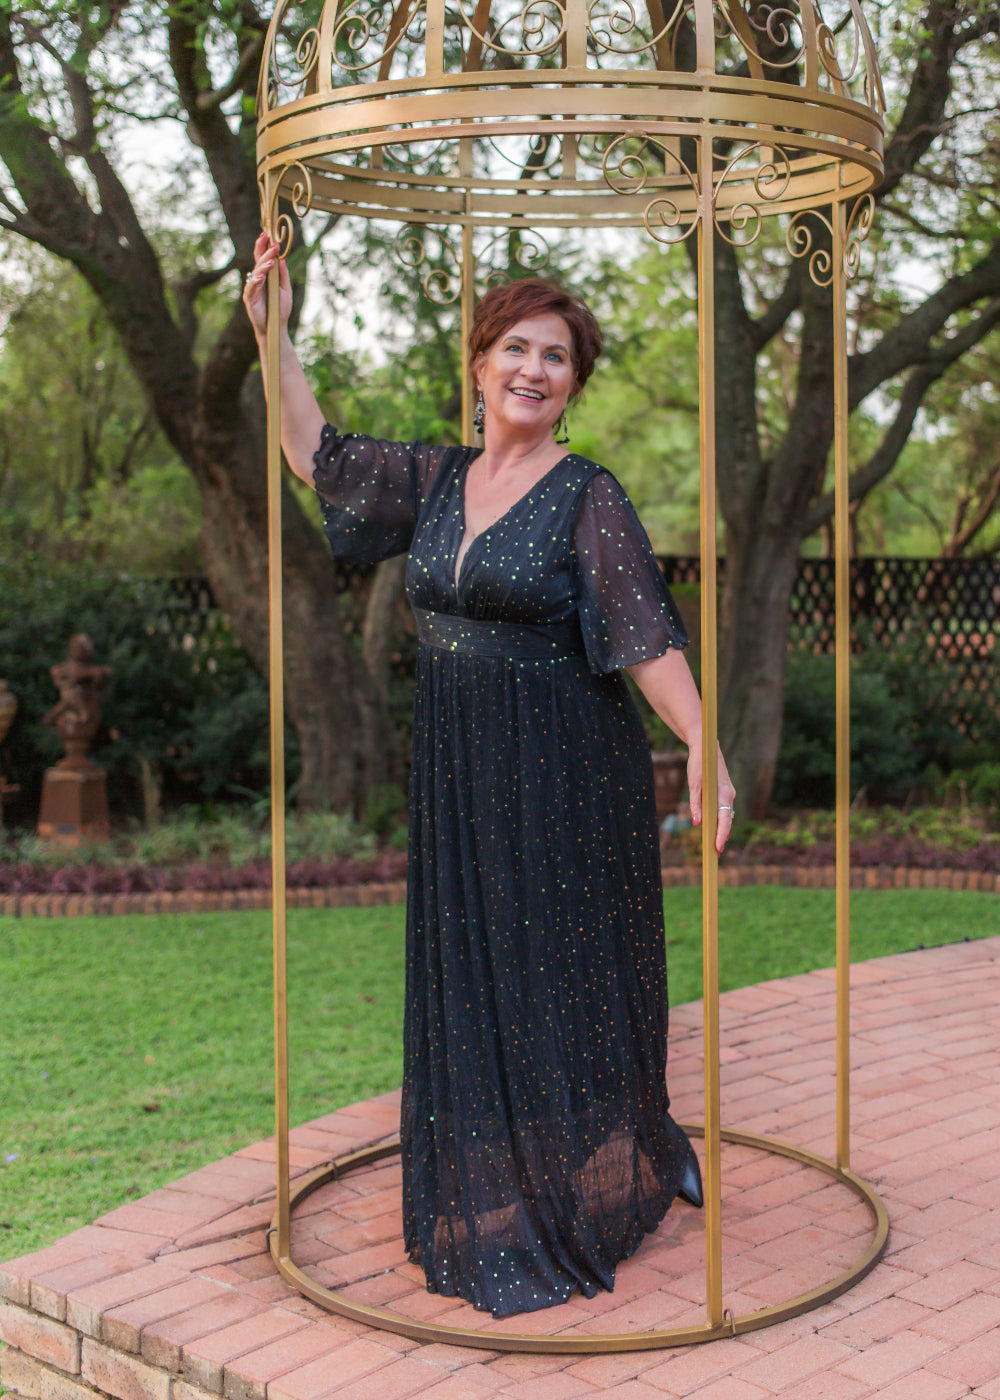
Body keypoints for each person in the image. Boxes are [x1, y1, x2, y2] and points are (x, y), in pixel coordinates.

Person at [244, 233, 736, 1318]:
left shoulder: (587, 494)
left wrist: (703, 744)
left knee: (566, 968)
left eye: (555, 357)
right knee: (482, 967)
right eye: (516, 346)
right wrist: (273, 332)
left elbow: (645, 635)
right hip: (463, 772)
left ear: (572, 386)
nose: (532, 369)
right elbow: (312, 451)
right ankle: (530, 1158)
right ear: (479, 363)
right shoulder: (432, 478)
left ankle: (632, 1146)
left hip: (567, 770)